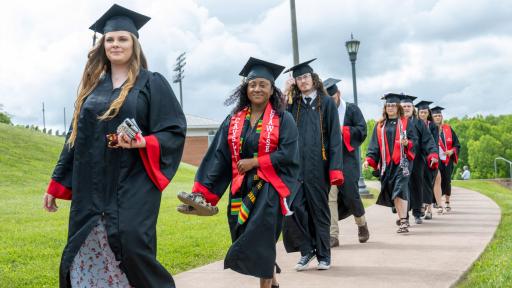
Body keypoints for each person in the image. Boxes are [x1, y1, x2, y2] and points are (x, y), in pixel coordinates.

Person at [42, 4, 186, 288]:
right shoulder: (92, 89)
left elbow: (174, 130)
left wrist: (144, 141)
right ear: (102, 44)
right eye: (110, 39)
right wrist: (55, 184)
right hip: (92, 184)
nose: (115, 44)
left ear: (134, 43)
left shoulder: (151, 83)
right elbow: (74, 138)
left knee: (132, 244)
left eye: (122, 39)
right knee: (85, 245)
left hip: (134, 183)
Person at [177, 57, 299, 288]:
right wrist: (202, 193)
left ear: (272, 89)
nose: (257, 89)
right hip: (241, 187)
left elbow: (289, 153)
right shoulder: (234, 120)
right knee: (244, 233)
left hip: (270, 185)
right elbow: (218, 156)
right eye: (252, 84)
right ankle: (272, 282)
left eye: (263, 84)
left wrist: (255, 162)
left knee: (261, 236)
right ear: (245, 89)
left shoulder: (284, 119)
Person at [282, 59, 344, 271]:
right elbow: (278, 116)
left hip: (320, 167)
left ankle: (324, 255)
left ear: (313, 78)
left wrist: (335, 168)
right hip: (296, 168)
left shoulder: (326, 103)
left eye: (305, 77)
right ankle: (306, 250)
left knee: (319, 210)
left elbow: (335, 137)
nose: (303, 81)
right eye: (299, 78)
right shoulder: (293, 105)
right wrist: (285, 90)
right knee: (296, 207)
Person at [323, 78, 369, 247]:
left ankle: (362, 224)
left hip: (347, 159)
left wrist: (342, 132)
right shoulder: (322, 111)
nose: (330, 101)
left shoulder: (351, 109)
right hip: (329, 160)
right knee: (330, 197)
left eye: (332, 98)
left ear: (338, 94)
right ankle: (333, 235)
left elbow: (362, 130)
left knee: (351, 195)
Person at [364, 93, 418, 233]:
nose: (390, 107)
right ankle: (402, 217)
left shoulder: (407, 122)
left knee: (400, 189)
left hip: (402, 163)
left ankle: (404, 221)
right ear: (385, 107)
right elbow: (374, 145)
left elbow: (415, 141)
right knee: (394, 191)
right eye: (388, 105)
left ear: (398, 107)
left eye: (393, 105)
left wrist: (408, 143)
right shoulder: (380, 125)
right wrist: (369, 160)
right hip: (387, 165)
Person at [399, 95, 439, 225]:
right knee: (401, 187)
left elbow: (428, 140)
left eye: (409, 106)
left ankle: (416, 214)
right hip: (399, 160)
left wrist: (433, 154)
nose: (406, 108)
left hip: (416, 160)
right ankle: (403, 215)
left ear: (412, 108)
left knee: (416, 187)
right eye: (404, 106)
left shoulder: (419, 123)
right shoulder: (395, 123)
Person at [415, 101, 444, 218]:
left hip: (430, 157)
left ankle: (429, 210)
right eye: (421, 112)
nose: (423, 114)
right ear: (418, 113)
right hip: (418, 158)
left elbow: (434, 142)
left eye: (425, 112)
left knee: (429, 183)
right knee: (420, 183)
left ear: (428, 113)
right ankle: (422, 206)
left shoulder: (432, 126)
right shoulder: (414, 124)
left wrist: (433, 156)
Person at [431, 106, 460, 212]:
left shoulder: (448, 128)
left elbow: (457, 144)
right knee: (435, 181)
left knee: (447, 181)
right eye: (435, 116)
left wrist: (452, 151)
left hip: (447, 160)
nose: (437, 117)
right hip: (435, 160)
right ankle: (437, 202)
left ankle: (447, 202)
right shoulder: (429, 129)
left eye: (439, 115)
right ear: (432, 117)